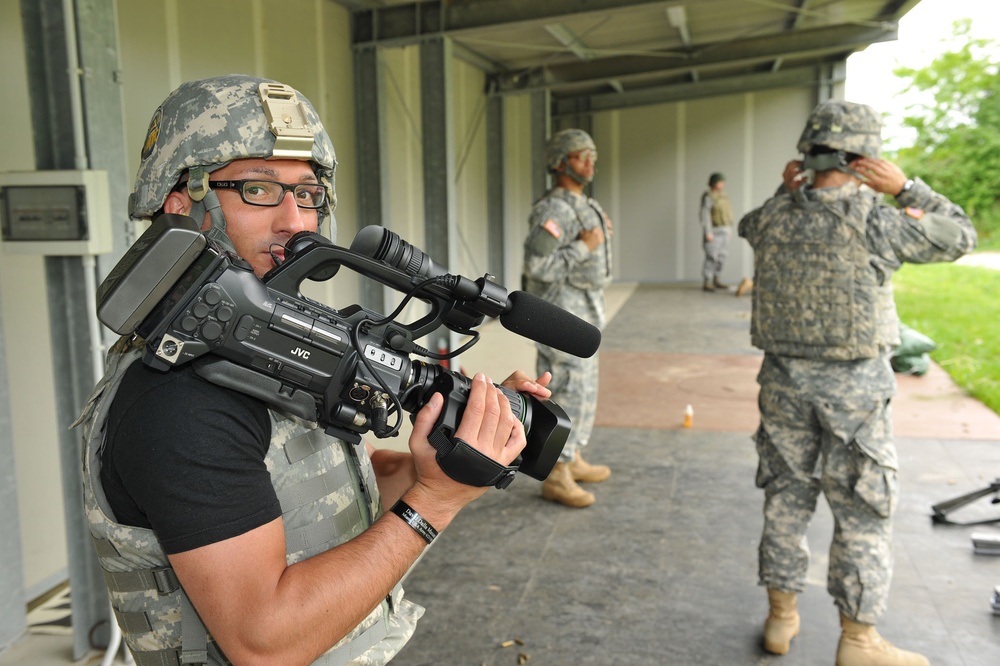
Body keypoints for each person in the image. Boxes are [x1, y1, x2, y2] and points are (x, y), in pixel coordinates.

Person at [75, 75, 552, 665]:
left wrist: (452, 450)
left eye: (307, 194)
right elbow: (265, 643)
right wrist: (434, 504)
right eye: (258, 189)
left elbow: (328, 497)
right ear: (182, 205)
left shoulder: (257, 348)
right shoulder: (181, 402)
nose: (296, 221)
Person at [738, 100, 976, 666]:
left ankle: (780, 617)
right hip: (855, 394)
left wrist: (785, 191)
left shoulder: (773, 216)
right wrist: (908, 188)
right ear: (865, 157)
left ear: (807, 152)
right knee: (863, 509)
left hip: (783, 384)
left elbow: (748, 226)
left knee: (786, 497)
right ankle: (859, 641)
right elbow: (960, 235)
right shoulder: (877, 220)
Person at [522, 128, 613, 508]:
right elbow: (537, 265)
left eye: (593, 154)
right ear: (560, 163)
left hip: (584, 307)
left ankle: (571, 456)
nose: (590, 162)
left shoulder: (583, 204)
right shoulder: (554, 209)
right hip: (562, 310)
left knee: (583, 388)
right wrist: (583, 247)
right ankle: (556, 473)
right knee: (567, 387)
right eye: (580, 155)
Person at [700, 171, 734, 292]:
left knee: (722, 257)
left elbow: (727, 213)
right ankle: (707, 281)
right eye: (720, 182)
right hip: (714, 230)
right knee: (711, 256)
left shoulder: (724, 196)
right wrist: (708, 232)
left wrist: (729, 230)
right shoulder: (709, 196)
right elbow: (705, 215)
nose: (722, 184)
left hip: (725, 229)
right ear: (714, 183)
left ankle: (717, 279)